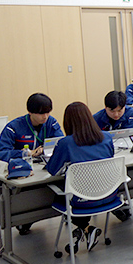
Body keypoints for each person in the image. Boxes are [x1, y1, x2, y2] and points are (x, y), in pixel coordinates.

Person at [0, 93, 65, 235]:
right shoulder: (14, 127)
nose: (45, 116)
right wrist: (24, 153)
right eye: (41, 113)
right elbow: (1, 154)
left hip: (43, 169)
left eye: (48, 112)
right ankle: (24, 218)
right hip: (23, 172)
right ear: (30, 112)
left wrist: (45, 149)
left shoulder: (51, 123)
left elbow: (61, 142)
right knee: (28, 194)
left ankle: (35, 215)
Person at [46, 102, 116, 251]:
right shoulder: (107, 137)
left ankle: (86, 228)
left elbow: (53, 170)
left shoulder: (66, 143)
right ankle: (86, 229)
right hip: (109, 195)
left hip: (82, 201)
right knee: (83, 189)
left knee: (62, 195)